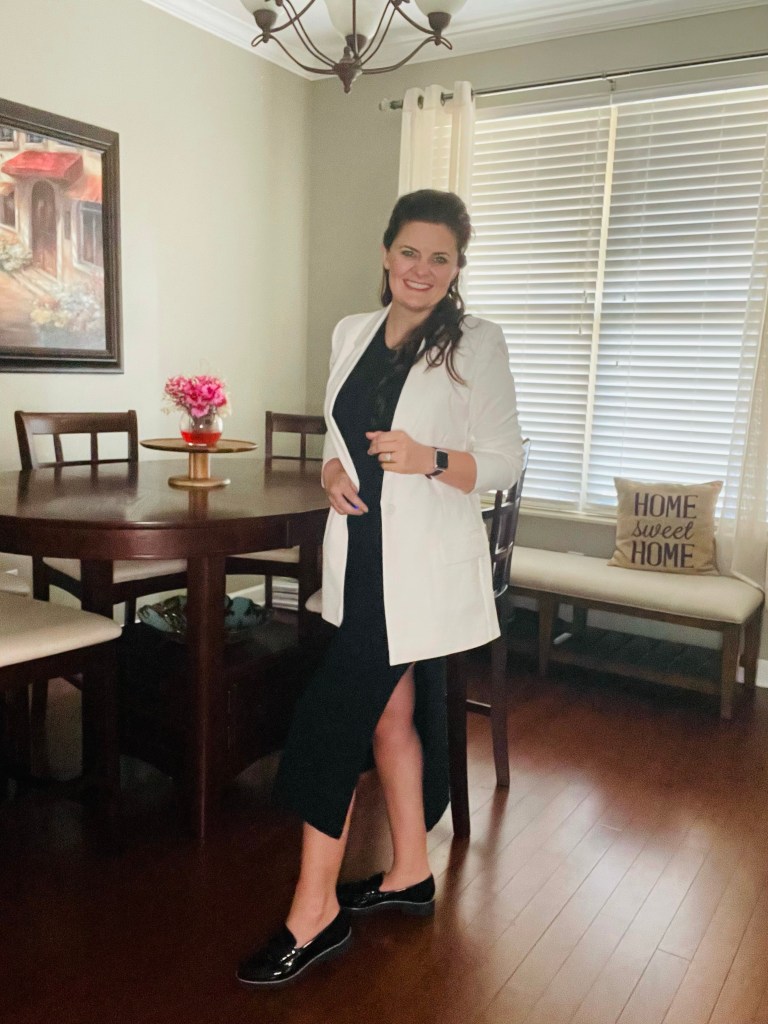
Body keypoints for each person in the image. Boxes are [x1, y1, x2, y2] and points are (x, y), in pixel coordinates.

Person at [237, 189, 523, 987]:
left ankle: (314, 912)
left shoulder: (476, 343)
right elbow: (340, 435)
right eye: (409, 252)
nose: (421, 269)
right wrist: (331, 470)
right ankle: (409, 872)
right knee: (392, 715)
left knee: (331, 723)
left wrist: (431, 458)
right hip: (360, 557)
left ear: (457, 266)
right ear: (386, 253)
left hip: (419, 572)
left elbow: (504, 461)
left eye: (440, 257)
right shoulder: (351, 331)